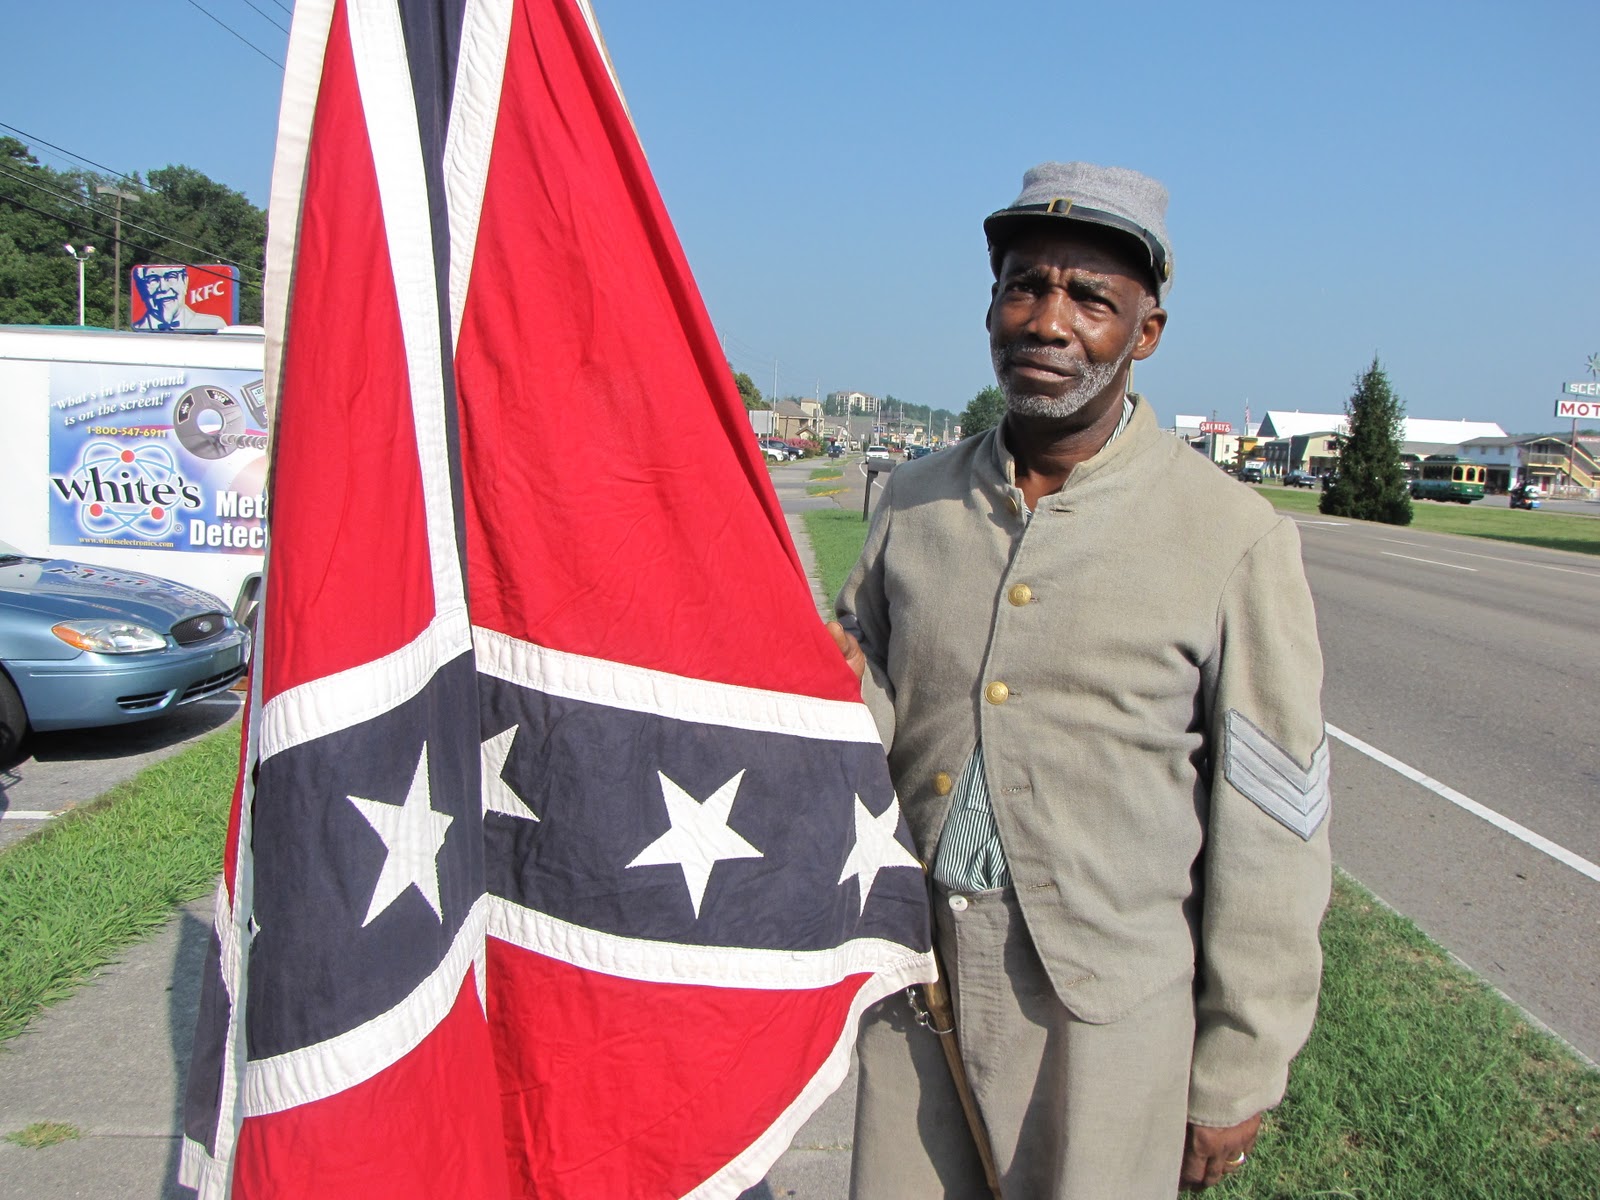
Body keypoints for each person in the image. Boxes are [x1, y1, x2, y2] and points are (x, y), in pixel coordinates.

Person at [827, 162, 1331, 1197]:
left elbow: (1275, 827)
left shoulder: (1230, 537)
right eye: (1023, 286)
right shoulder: (911, 503)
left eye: (1090, 298)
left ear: (1143, 331)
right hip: (915, 985)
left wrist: (1237, 1065)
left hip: (1103, 1018)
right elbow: (852, 714)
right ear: (990, 308)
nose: (1047, 321)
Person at [131, 264, 227, 332]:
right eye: (153, 279)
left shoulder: (214, 325)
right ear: (141, 289)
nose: (163, 288)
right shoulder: (139, 329)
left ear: (185, 281)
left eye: (171, 276)